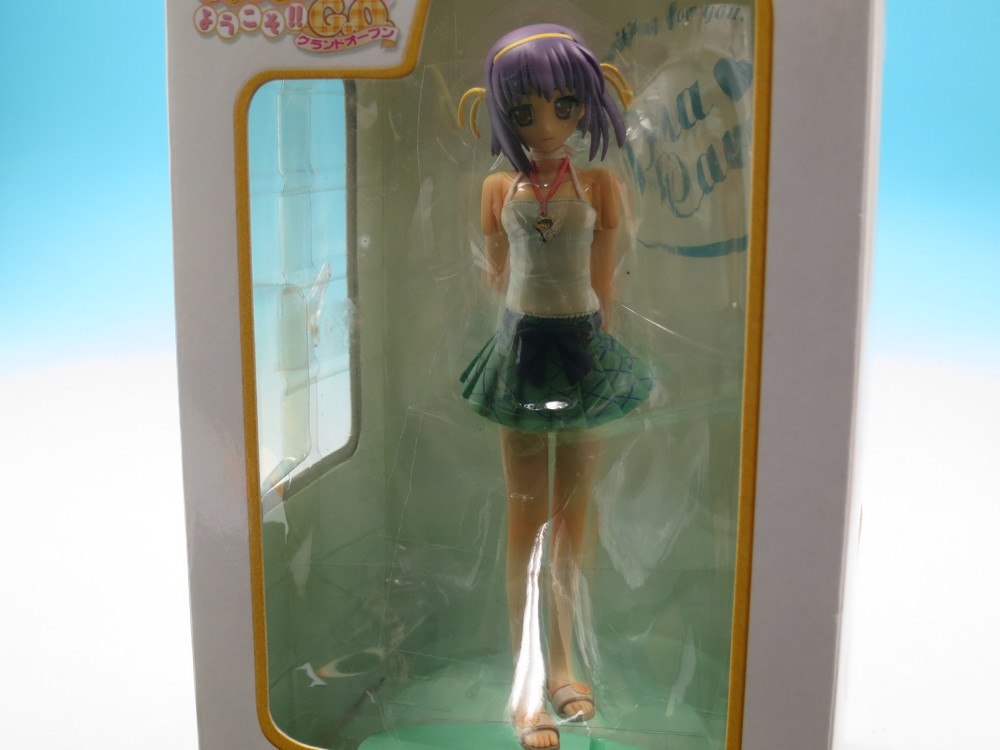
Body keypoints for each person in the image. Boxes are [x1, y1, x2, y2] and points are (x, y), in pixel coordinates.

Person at [458, 24, 651, 750]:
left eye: (565, 106)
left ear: (588, 105)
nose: (546, 122)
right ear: (501, 111)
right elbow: (495, 275)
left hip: (583, 349)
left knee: (574, 518)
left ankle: (566, 663)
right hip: (521, 351)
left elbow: (606, 279)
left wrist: (596, 344)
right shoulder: (497, 187)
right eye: (525, 110)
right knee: (525, 522)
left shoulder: (600, 184)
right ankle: (527, 683)